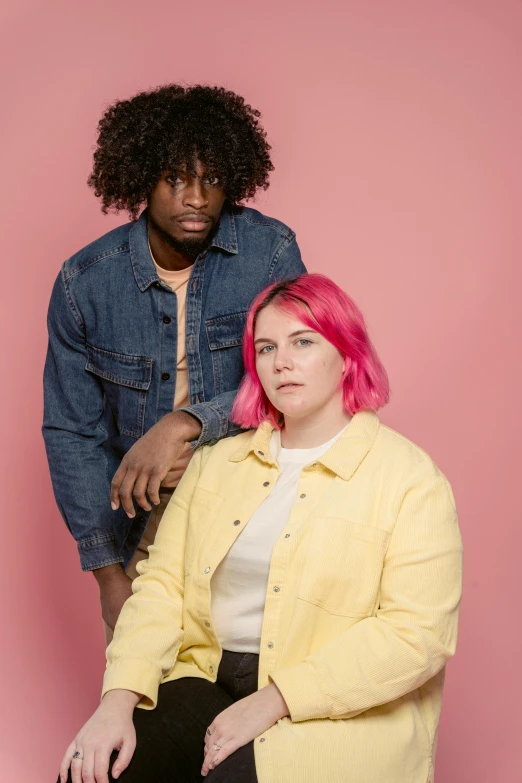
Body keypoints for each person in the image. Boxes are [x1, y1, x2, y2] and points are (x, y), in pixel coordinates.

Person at [58, 273, 463, 783]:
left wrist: (276, 699)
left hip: (332, 707)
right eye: (267, 347)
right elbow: (162, 587)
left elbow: (416, 634)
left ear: (347, 353)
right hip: (207, 675)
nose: (282, 362)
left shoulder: (411, 480)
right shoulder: (216, 463)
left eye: (304, 342)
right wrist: (116, 702)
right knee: (94, 770)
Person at [42, 84, 305, 639]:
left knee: (251, 671)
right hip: (147, 521)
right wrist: (108, 576)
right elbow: (71, 432)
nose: (197, 199)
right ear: (142, 179)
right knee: (146, 694)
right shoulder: (84, 284)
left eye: (212, 179)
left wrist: (185, 426)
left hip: (252, 500)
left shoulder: (270, 253)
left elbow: (296, 380)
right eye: (176, 179)